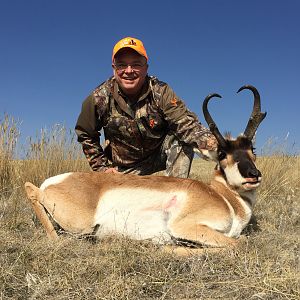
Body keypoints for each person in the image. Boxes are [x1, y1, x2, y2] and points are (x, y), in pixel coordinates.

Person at [75, 37, 217, 178]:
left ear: (146, 68)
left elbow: (186, 125)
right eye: (122, 65)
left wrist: (220, 147)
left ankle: (173, 194)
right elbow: (85, 133)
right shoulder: (99, 97)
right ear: (114, 68)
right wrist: (102, 168)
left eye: (136, 64)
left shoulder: (161, 91)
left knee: (181, 139)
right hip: (125, 168)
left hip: (159, 154)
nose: (129, 71)